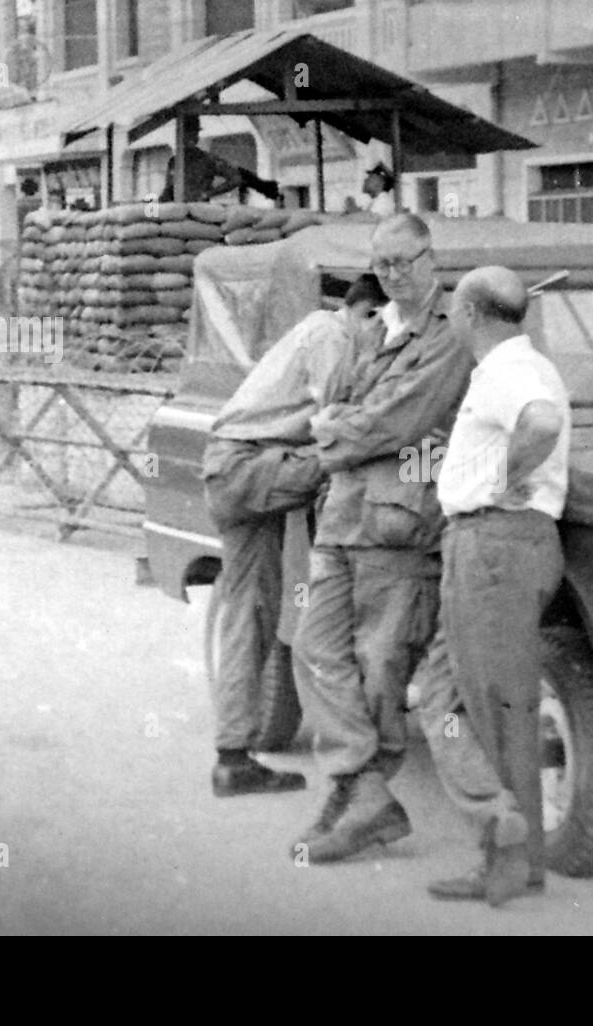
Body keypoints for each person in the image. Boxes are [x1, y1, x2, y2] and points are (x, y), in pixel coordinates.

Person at [292, 214, 475, 863]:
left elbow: (397, 421)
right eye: (384, 265)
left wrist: (335, 431)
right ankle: (363, 787)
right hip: (344, 515)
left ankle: (358, 795)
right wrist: (344, 424)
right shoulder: (375, 329)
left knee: (379, 665)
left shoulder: (449, 338)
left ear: (431, 258)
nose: (394, 275)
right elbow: (340, 404)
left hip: (398, 524)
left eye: (405, 261)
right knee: (313, 649)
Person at [417, 265, 571, 907]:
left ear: (473, 313)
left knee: (488, 710)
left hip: (495, 545)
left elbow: (540, 423)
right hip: (500, 546)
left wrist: (502, 482)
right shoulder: (517, 365)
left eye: (454, 306)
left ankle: (505, 850)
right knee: (455, 693)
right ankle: (510, 842)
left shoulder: (512, 372)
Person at [201, 274, 385, 797]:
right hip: (250, 467)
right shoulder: (332, 335)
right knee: (351, 457)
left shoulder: (322, 330)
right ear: (368, 313)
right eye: (384, 327)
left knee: (248, 613)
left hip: (231, 466)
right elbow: (337, 422)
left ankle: (232, 759)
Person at [161, 119, 280, 203]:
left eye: (194, 134)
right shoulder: (174, 162)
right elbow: (168, 189)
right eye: (189, 134)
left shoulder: (207, 159)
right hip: (178, 212)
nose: (192, 138)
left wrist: (208, 194)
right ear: (180, 135)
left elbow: (235, 178)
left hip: (199, 211)